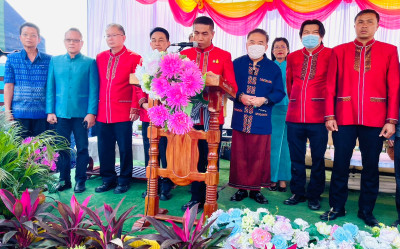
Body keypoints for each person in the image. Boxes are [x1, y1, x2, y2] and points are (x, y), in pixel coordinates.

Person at [321, 9, 400, 226]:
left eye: (369, 22)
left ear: (377, 26)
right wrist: (329, 115)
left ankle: (366, 211)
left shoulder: (389, 51)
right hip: (344, 116)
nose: (364, 25)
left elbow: (394, 87)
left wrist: (391, 120)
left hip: (376, 119)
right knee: (340, 164)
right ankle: (337, 207)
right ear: (354, 25)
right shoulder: (339, 51)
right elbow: (330, 86)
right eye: (360, 22)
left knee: (371, 167)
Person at [180, 16, 237, 210]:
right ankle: (196, 198)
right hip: (189, 117)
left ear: (213, 33)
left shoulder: (223, 55)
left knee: (211, 158)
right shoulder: (184, 54)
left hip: (213, 117)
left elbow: (232, 87)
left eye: (205, 33)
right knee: (193, 158)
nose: (200, 37)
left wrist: (215, 82)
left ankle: (210, 198)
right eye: (197, 33)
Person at [229, 29, 285, 204]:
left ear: (266, 46)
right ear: (246, 44)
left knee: (258, 156)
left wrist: (265, 100)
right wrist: (240, 97)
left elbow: (279, 92)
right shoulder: (236, 64)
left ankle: (255, 190)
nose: (256, 45)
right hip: (240, 117)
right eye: (252, 42)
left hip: (261, 118)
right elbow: (228, 87)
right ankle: (240, 188)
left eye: (260, 43)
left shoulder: (273, 68)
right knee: (239, 155)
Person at [284, 20, 332, 211]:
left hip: (319, 117)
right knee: (296, 158)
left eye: (314, 32)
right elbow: (289, 84)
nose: (309, 35)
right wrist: (295, 101)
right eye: (306, 32)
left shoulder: (330, 54)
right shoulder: (293, 56)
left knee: (318, 159)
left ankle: (315, 195)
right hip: (294, 116)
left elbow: (332, 85)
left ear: (321, 35)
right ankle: (297, 192)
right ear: (301, 35)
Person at [46, 28, 99, 193]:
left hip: (82, 114)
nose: (72, 43)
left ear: (81, 43)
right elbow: (50, 87)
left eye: (76, 40)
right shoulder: (55, 61)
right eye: (69, 39)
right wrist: (50, 111)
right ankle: (64, 180)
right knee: (62, 147)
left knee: (82, 148)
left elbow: (94, 89)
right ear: (64, 42)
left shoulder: (90, 62)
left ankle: (80, 180)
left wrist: (91, 112)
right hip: (60, 113)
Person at [95, 23, 142, 194]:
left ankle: (124, 179)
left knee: (124, 148)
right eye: (107, 35)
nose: (110, 39)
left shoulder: (134, 57)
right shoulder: (100, 57)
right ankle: (108, 179)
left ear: (123, 37)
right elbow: (96, 84)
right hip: (102, 112)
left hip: (123, 111)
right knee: (104, 148)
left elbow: (138, 85)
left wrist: (135, 107)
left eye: (114, 35)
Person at [138, 27, 173, 201]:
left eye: (161, 40)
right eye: (154, 40)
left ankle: (166, 185)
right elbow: (138, 86)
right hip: (149, 114)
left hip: (167, 116)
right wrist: (144, 104)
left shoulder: (174, 63)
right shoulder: (144, 62)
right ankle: (152, 184)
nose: (157, 43)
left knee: (166, 151)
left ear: (168, 43)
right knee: (149, 151)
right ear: (150, 43)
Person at [4, 22, 51, 137]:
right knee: (21, 151)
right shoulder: (12, 59)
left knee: (42, 150)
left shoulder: (49, 60)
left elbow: (52, 87)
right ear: (20, 38)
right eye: (25, 34)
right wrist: (7, 111)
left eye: (33, 35)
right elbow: (9, 86)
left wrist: (51, 111)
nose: (29, 38)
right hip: (19, 114)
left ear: (39, 39)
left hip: (42, 114)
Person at [269, 37, 291, 192]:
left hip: (290, 109)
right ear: (272, 51)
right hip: (272, 109)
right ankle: (271, 179)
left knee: (287, 146)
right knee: (273, 145)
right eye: (276, 47)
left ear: (288, 50)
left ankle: (283, 180)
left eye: (283, 46)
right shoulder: (269, 67)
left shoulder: (293, 66)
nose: (280, 49)